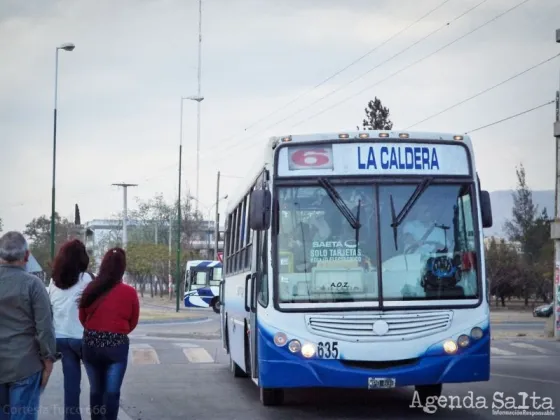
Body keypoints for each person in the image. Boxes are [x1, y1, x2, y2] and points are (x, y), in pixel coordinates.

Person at [0, 231, 58, 420]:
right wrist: (48, 362)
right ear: (26, 255)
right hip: (25, 365)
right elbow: (45, 328)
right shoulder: (34, 285)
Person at [78, 248, 139, 420]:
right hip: (116, 347)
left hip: (91, 345)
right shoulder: (129, 292)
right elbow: (133, 321)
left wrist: (97, 331)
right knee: (112, 392)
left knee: (96, 390)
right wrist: (117, 331)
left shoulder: (90, 288)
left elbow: (82, 317)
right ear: (122, 268)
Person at [48, 239, 94, 420]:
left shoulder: (53, 281)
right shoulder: (87, 278)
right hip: (81, 337)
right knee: (96, 384)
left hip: (60, 338)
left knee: (71, 387)